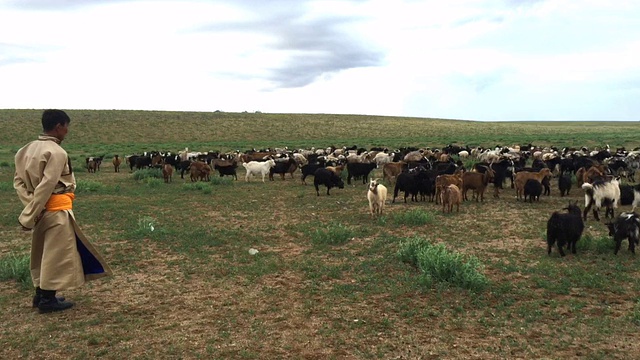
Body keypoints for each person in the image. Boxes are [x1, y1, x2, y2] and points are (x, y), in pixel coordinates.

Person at [14, 109, 112, 313]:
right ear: (58, 126)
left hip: (39, 210)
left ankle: (40, 294)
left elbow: (19, 182)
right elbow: (48, 184)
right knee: (56, 255)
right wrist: (31, 214)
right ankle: (48, 300)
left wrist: (31, 207)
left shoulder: (24, 150)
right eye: (66, 127)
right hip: (56, 210)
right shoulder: (57, 152)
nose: (67, 131)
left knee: (42, 252)